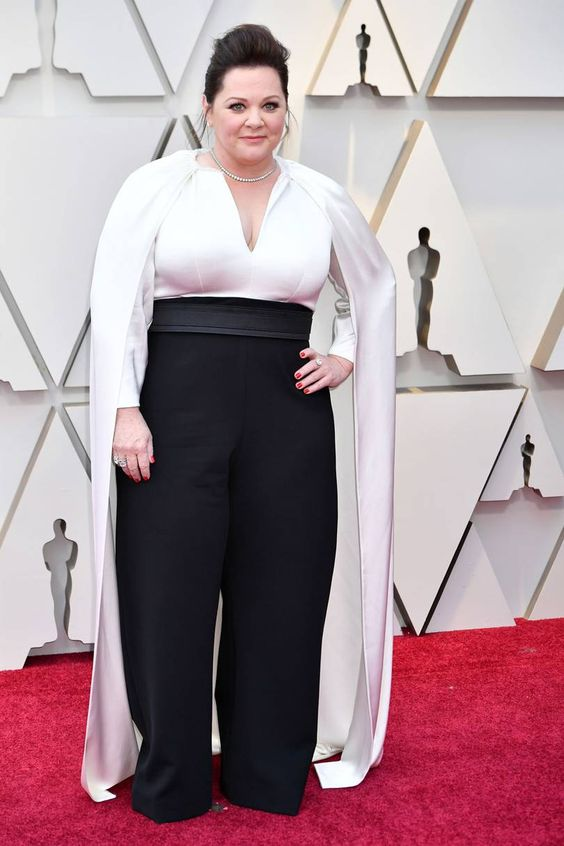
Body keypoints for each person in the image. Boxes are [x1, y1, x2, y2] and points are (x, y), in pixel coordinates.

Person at [82, 23, 397, 825]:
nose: (255, 120)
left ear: (287, 110)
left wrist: (347, 352)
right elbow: (119, 305)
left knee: (283, 591)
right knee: (167, 593)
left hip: (290, 416)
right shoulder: (156, 188)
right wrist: (123, 409)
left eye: (270, 105)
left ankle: (266, 772)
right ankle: (173, 779)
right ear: (207, 108)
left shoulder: (319, 196)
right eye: (238, 105)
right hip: (173, 412)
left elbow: (373, 286)